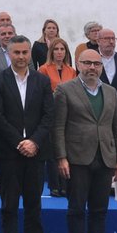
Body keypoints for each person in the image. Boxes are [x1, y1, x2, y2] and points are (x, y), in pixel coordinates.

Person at [53, 48, 117, 233]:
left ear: (102, 67)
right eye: (87, 63)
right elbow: (58, 127)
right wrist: (61, 156)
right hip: (77, 159)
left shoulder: (112, 92)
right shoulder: (65, 90)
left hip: (105, 158)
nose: (92, 68)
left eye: (96, 64)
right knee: (76, 209)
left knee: (100, 210)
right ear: (78, 64)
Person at [0, 34, 54, 233]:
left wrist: (34, 141)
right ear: (9, 52)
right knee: (9, 206)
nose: (22, 57)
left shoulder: (42, 81)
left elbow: (49, 116)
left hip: (36, 154)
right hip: (8, 153)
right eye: (17, 53)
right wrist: (19, 142)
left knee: (34, 207)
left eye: (25, 52)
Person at [37, 37, 76, 197]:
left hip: (68, 113)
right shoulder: (44, 70)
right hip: (51, 113)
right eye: (56, 49)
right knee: (53, 151)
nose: (59, 52)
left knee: (67, 149)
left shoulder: (71, 70)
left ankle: (66, 184)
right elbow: (41, 92)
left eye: (62, 49)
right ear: (51, 51)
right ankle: (54, 185)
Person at [96, 28, 117, 98]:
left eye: (113, 38)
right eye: (107, 38)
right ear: (98, 41)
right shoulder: (91, 58)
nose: (111, 41)